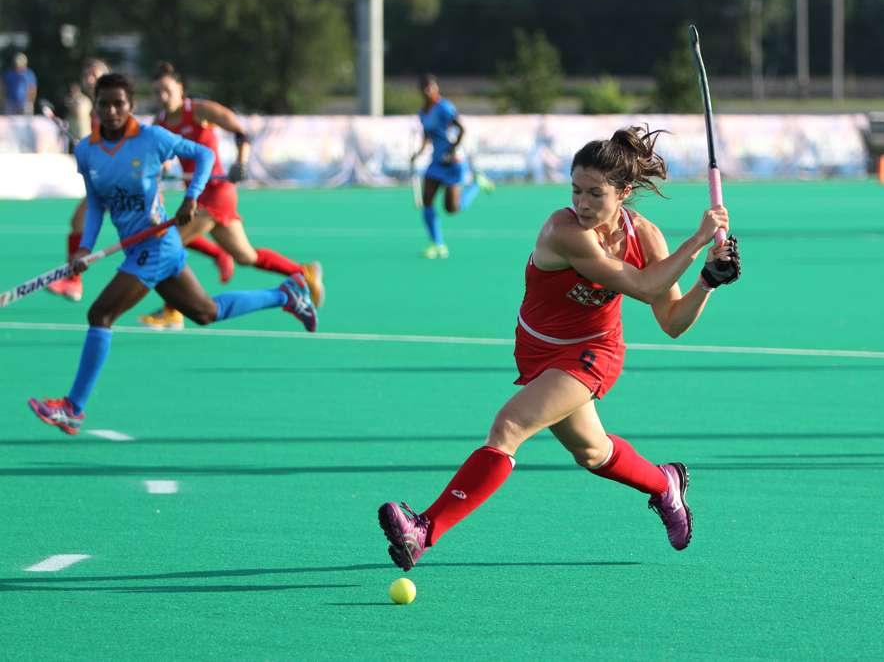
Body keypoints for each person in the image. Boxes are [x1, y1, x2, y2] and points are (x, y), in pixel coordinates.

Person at [377, 126, 741, 570]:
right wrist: (699, 241)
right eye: (576, 189)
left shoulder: (646, 238)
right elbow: (642, 286)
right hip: (538, 351)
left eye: (595, 193)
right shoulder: (563, 230)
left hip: (593, 353)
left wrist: (707, 282)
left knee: (508, 427)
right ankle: (664, 484)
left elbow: (672, 321)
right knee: (592, 452)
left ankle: (424, 530)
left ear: (624, 192)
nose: (582, 203)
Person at [27, 73, 318, 435]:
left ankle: (73, 407)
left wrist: (192, 197)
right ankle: (286, 294)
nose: (112, 110)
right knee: (205, 312)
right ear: (97, 107)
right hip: (138, 246)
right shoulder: (88, 151)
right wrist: (85, 247)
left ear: (131, 106)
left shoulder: (151, 138)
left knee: (100, 314)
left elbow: (205, 154)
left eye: (119, 103)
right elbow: (98, 203)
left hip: (157, 246)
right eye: (105, 104)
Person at [137, 62, 324, 330]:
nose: (162, 97)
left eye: (167, 90)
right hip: (197, 193)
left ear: (180, 88)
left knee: (168, 244)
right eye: (157, 92)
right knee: (246, 256)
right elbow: (158, 158)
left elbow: (239, 131)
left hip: (215, 192)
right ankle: (303, 273)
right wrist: (161, 172)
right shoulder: (162, 122)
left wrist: (241, 163)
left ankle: (173, 311)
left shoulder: (199, 110)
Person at [48, 59, 130, 302]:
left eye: (95, 75)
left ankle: (217, 255)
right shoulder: (92, 109)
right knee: (78, 223)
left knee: (155, 238)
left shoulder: (115, 109)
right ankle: (73, 282)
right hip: (106, 182)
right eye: (87, 74)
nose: (89, 78)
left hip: (124, 181)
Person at [409, 73, 493, 259]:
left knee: (452, 208)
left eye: (430, 87)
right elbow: (427, 136)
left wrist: (452, 149)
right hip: (436, 163)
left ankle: (477, 184)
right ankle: (437, 244)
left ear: (436, 88)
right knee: (427, 201)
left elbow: (461, 129)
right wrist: (418, 153)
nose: (427, 91)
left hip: (453, 163)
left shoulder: (444, 107)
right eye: (424, 87)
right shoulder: (423, 112)